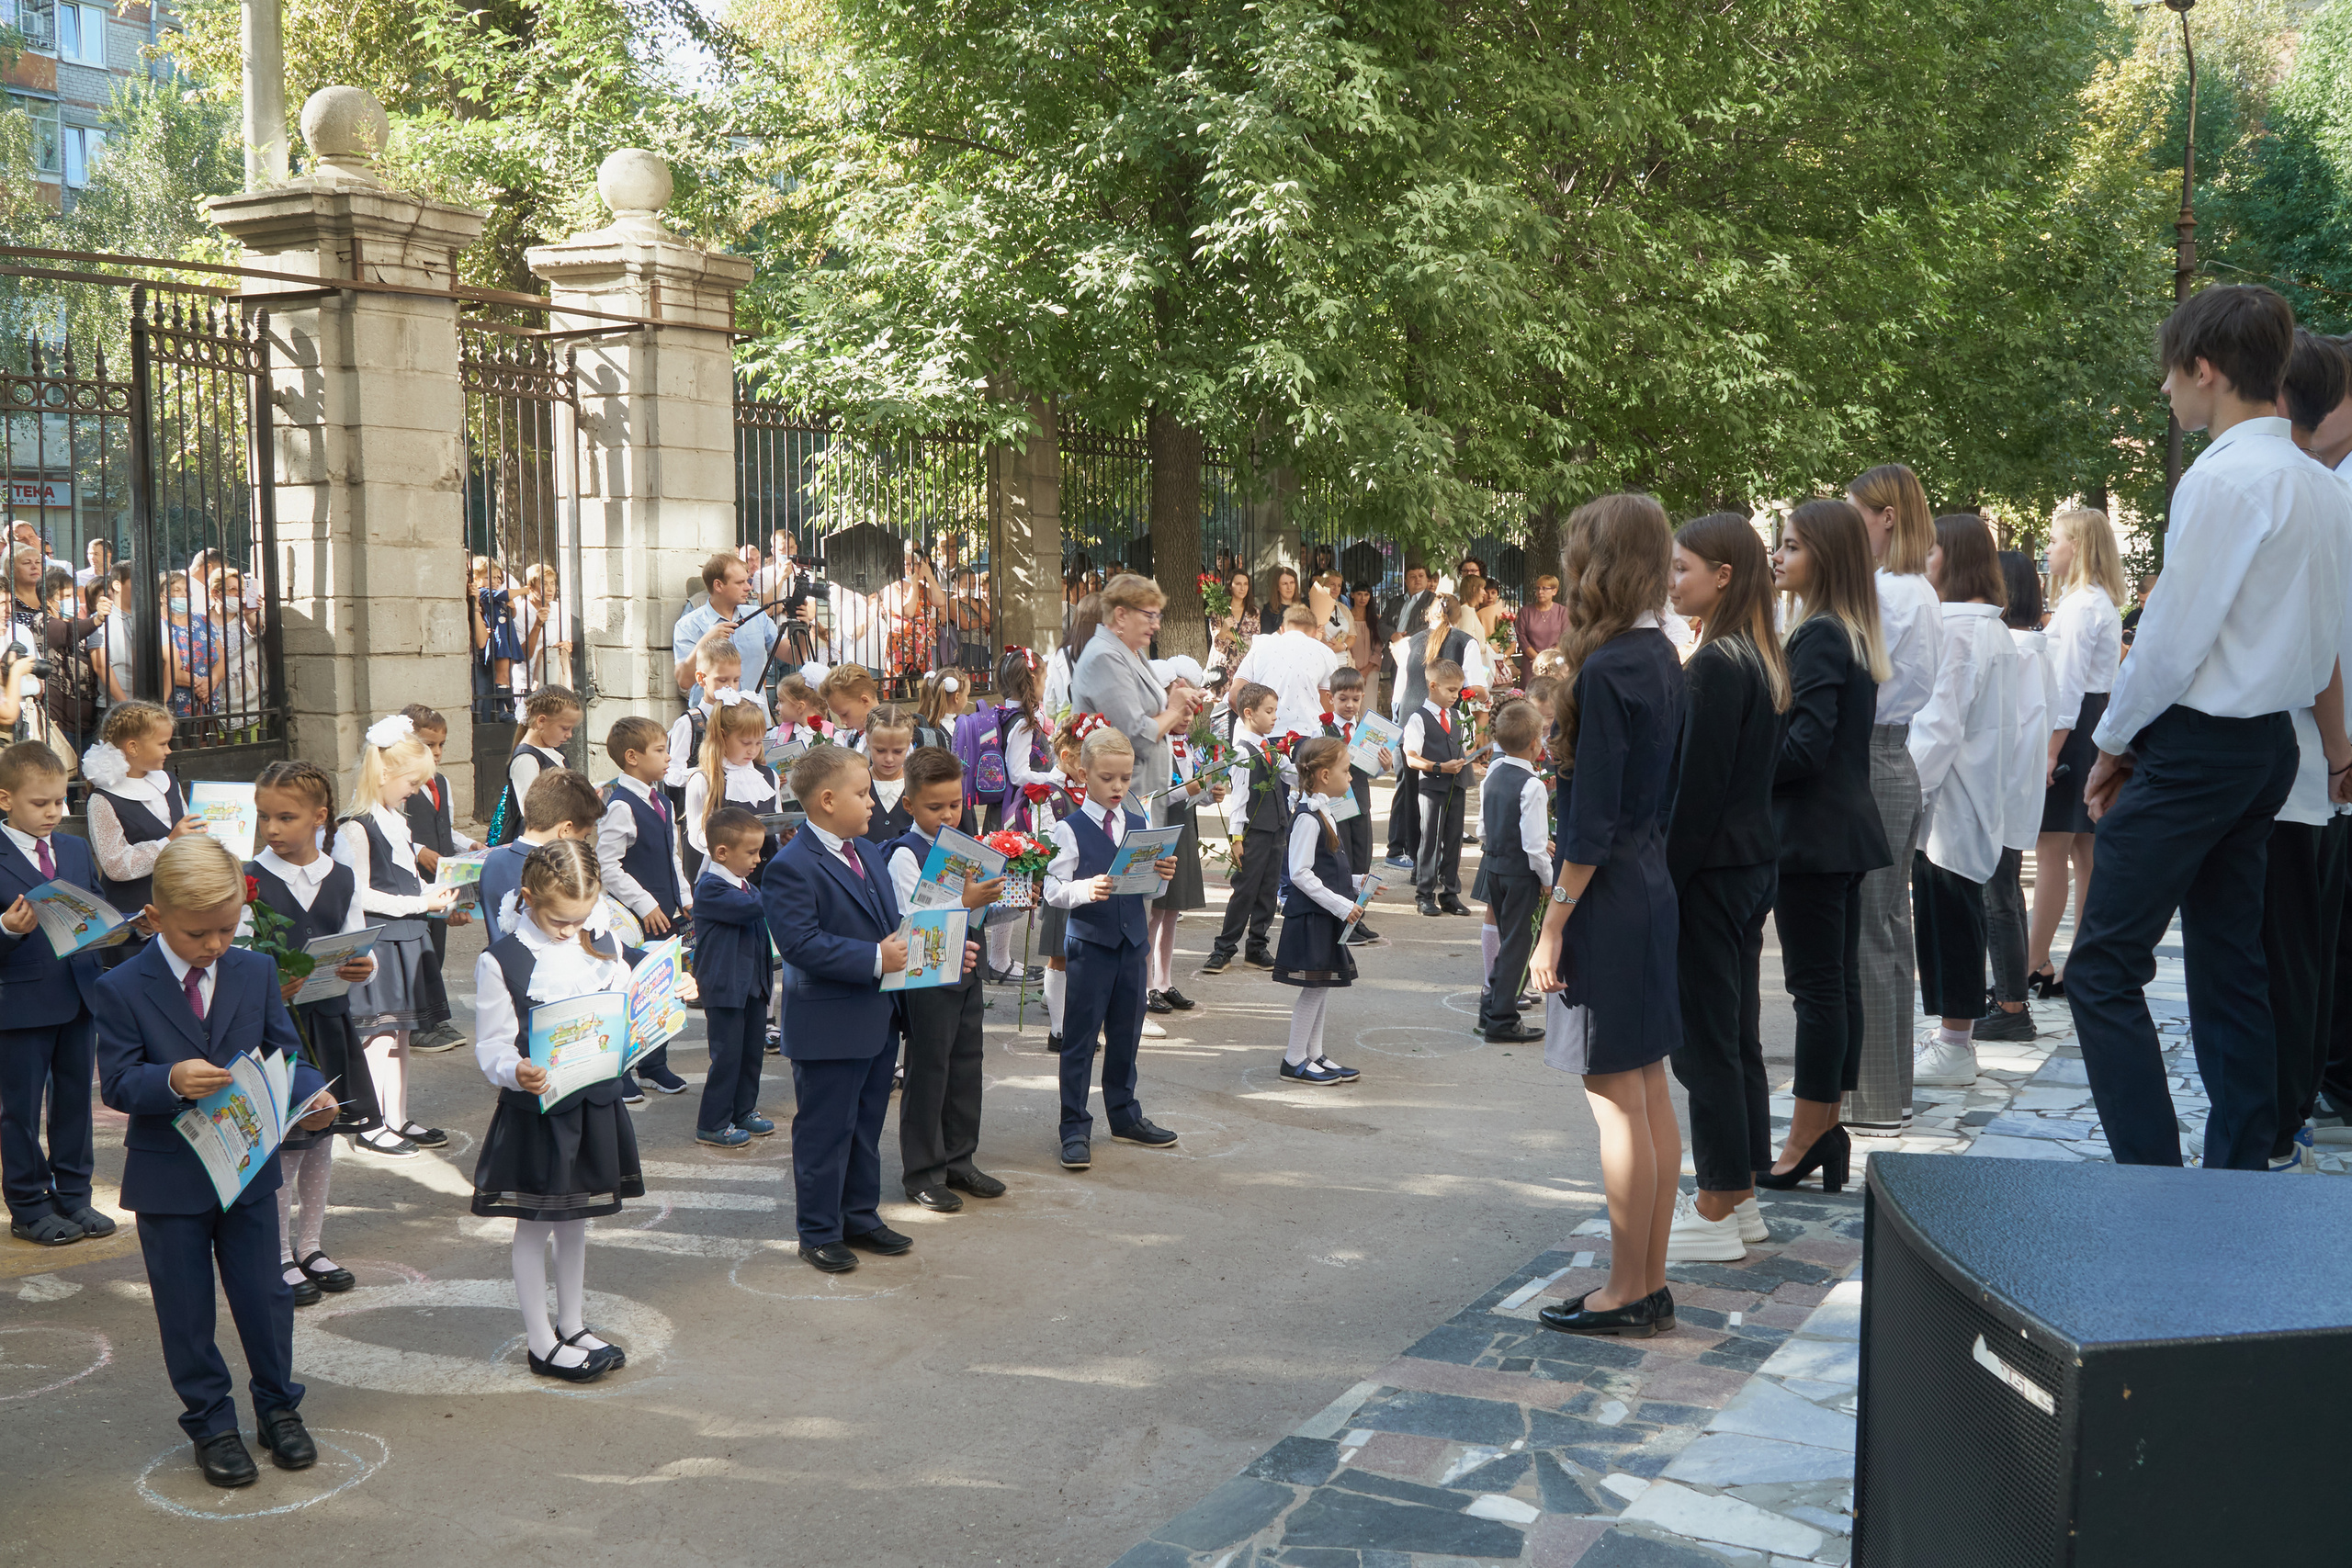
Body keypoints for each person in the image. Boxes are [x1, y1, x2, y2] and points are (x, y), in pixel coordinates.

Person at [2069, 284, 2350, 1170]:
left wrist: (2112, 743)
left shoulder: (2224, 479)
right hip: (2267, 747)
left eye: (2169, 373)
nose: (2165, 391)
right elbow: (2323, 642)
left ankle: (2153, 1179)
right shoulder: (2320, 486)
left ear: (2205, 369)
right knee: (2233, 968)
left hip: (2203, 744)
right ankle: (2238, 1171)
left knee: (2102, 966)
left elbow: (2170, 638)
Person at [95, 835, 338, 1484]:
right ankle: (210, 1423)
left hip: (249, 1168)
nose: (214, 945)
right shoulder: (121, 985)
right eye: (197, 933)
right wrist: (170, 1079)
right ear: (155, 916)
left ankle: (279, 1408)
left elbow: (283, 1055)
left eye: (227, 929)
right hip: (169, 1176)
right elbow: (117, 1081)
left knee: (266, 1296)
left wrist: (310, 1093)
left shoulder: (253, 972)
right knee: (186, 1309)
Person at [1525, 495, 1688, 1338]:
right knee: (1647, 1090)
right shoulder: (1660, 655)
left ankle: (1629, 1289)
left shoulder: (1608, 668)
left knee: (1618, 1099)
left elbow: (1589, 825)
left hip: (1611, 896)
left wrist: (1552, 925)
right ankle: (1645, 1281)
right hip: (1650, 885)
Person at [763, 746, 956, 1272]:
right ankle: (819, 1231)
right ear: (828, 800)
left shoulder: (867, 851)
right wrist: (875, 958)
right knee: (825, 1131)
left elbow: (895, 926)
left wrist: (941, 949)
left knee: (866, 1126)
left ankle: (860, 1217)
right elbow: (799, 944)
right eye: (863, 793)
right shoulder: (790, 866)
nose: (873, 802)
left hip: (877, 1019)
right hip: (828, 1026)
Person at [469, 840, 645, 1383]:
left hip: (594, 1101)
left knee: (576, 1220)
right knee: (534, 1225)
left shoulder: (602, 940)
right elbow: (492, 1045)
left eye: (581, 918)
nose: (571, 930)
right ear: (528, 898)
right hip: (539, 1111)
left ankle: (572, 1324)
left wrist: (663, 997)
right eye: (559, 920)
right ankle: (541, 1341)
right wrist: (515, 1069)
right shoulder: (502, 960)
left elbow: (626, 1004)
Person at [1659, 513, 1787, 1262]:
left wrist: (1664, 884)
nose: (1672, 580)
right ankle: (1738, 1194)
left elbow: (1694, 797)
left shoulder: (1716, 663)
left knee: (1708, 1040)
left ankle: (1716, 1204)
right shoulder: (1758, 656)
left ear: (1724, 574)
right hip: (1746, 864)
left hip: (1711, 870)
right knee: (1734, 1033)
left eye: (1683, 568)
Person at [1762, 499, 1892, 1192]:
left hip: (1813, 835)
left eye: (1791, 546)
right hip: (1837, 832)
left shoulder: (1819, 634)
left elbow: (1805, 747)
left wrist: (1740, 766)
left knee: (1818, 989)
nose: (1778, 556)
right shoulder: (1847, 630)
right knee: (1835, 985)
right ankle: (1824, 1127)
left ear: (1826, 556)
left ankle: (1809, 1133)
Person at [245, 761, 381, 1305]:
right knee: (286, 1147)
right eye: (264, 817)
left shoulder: (341, 876)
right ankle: (277, 1251)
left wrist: (363, 966)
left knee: (321, 1140)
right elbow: (237, 952)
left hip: (327, 1023)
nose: (272, 828)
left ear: (319, 817)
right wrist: (268, 983)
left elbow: (354, 939)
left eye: (286, 817)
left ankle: (310, 1245)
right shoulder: (249, 877)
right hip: (277, 1034)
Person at [1844, 462, 1942, 1134]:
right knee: (1887, 931)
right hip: (1894, 754)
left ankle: (1875, 1099)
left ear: (1886, 517)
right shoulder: (1917, 590)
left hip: (1872, 753)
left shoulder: (1886, 591)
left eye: (1857, 513)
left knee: (1868, 936)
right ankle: (1889, 1093)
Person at [1906, 515, 2019, 1089]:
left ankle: (1955, 1043)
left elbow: (1938, 724)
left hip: (1948, 798)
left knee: (1948, 918)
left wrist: (1906, 790)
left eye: (1929, 552)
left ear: (1951, 558)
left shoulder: (1959, 630)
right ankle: (1954, 1037)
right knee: (1953, 914)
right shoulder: (1989, 629)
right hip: (1971, 792)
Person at [1043, 726, 1182, 1168]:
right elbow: (1051, 889)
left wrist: (1161, 876)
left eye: (1125, 777)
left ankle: (1124, 1116)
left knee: (1127, 1033)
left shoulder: (1139, 823)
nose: (1118, 786)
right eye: (1107, 778)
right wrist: (1085, 889)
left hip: (1133, 944)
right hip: (1091, 946)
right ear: (1084, 775)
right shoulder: (1068, 829)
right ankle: (1074, 1128)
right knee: (1081, 1039)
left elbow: (1149, 891)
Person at [334, 715, 460, 1158]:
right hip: (379, 942)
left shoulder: (394, 820)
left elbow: (406, 880)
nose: (415, 790)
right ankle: (370, 1124)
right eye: (412, 782)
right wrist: (419, 903)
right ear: (384, 773)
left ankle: (397, 1116)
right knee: (379, 1036)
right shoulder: (356, 825)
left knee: (401, 1034)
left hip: (408, 936)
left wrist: (435, 898)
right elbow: (357, 893)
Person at [0, 741, 110, 1247]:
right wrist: (6, 929)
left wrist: (127, 927)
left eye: (60, 801)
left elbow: (98, 910)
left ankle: (74, 1196)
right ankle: (28, 1205)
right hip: (20, 1004)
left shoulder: (73, 849)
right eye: (39, 803)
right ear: (5, 799)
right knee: (20, 1111)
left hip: (79, 994)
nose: (53, 813)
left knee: (74, 1104)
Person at [884, 748, 1005, 1204]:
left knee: (966, 1066)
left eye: (955, 804)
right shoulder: (904, 854)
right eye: (935, 807)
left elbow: (983, 910)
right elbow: (909, 920)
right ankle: (922, 1174)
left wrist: (1012, 897)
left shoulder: (966, 847)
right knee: (929, 1072)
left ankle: (960, 1161)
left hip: (966, 971)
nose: (948, 815)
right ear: (910, 805)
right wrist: (965, 901)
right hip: (926, 976)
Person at [2029, 507, 2127, 995]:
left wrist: (2051, 751)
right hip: (2092, 722)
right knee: (2082, 850)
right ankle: (2075, 962)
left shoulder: (2080, 605)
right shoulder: (2096, 602)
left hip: (2074, 725)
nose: (2048, 549)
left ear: (2079, 546)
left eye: (2054, 540)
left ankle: (2033, 962)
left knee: (2053, 846)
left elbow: (2067, 688)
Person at [1977, 551, 2054, 1045]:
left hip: (1999, 790)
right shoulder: (2034, 649)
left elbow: (2009, 729)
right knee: (2002, 894)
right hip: (2014, 787)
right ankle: (2009, 997)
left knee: (1998, 897)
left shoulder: (2017, 650)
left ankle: (2011, 1005)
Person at [598, 716, 692, 1100]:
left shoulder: (663, 802)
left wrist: (685, 897)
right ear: (632, 757)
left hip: (666, 914)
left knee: (662, 988)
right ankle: (619, 1069)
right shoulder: (621, 805)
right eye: (660, 750)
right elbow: (608, 866)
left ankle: (654, 1063)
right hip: (635, 919)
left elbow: (672, 856)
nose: (668, 757)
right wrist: (646, 903)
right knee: (629, 990)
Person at [1272, 737, 1368, 1085]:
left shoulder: (1324, 810)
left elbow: (1326, 868)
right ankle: (1294, 1059)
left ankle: (1315, 1054)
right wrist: (1343, 905)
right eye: (1346, 770)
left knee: (1323, 985)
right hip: (1312, 918)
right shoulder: (1308, 818)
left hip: (1324, 916)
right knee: (1313, 988)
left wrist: (1355, 882)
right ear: (1325, 775)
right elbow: (1300, 873)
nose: (1351, 777)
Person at [84, 701, 201, 952]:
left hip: (176, 905)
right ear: (133, 747)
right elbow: (115, 865)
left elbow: (184, 827)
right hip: (134, 917)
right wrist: (169, 843)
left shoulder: (168, 781)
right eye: (162, 744)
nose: (169, 750)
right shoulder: (104, 798)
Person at [691, 807, 777, 1150]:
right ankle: (712, 1123)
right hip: (725, 987)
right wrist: (788, 881)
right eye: (752, 852)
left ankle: (743, 1111)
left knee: (751, 1053)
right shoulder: (710, 888)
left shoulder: (746, 886)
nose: (758, 859)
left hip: (752, 986)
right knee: (727, 1057)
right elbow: (752, 910)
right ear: (722, 852)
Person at [399, 705, 479, 1055]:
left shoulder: (441, 783)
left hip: (441, 881)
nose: (436, 752)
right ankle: (415, 1023)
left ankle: (434, 1016)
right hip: (411, 882)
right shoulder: (397, 785)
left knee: (437, 948)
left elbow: (445, 826)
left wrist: (468, 844)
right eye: (428, 744)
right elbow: (388, 830)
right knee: (418, 949)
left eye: (441, 745)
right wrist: (417, 850)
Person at [1475, 701, 1551, 1044]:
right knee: (1519, 947)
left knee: (1510, 943)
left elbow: (1482, 828)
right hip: (1521, 874)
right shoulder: (1532, 785)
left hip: (1494, 866)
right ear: (1535, 743)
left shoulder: (1493, 772)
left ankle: (1490, 1006)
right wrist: (1547, 879)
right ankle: (1502, 1019)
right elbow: (1535, 845)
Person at [1200, 682, 1289, 974]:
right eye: (1269, 711)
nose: (1274, 717)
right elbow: (1239, 799)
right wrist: (1236, 838)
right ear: (1249, 713)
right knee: (1245, 890)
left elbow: (1293, 776)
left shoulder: (1271, 749)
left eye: (1275, 710)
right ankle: (1223, 948)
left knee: (1268, 889)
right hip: (1254, 832)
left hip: (1276, 828)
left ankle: (1257, 946)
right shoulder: (1241, 752)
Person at [1149, 660, 1221, 1007]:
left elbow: (1192, 795)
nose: (1189, 715)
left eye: (1193, 709)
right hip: (1159, 828)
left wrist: (1208, 793)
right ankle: (1146, 984)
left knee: (1172, 910)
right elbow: (1155, 795)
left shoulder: (1188, 746)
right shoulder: (1155, 745)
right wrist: (1191, 788)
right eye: (1183, 707)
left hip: (1183, 829)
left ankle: (1164, 981)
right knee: (1154, 912)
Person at [479, 769, 605, 947]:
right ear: (566, 829)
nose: (584, 843)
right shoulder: (553, 874)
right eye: (584, 836)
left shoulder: (492, 860)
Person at [1321, 666, 1390, 939]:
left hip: (1361, 804)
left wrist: (1385, 764)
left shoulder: (1366, 731)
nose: (1350, 705)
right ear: (1331, 698)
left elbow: (1373, 770)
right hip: (1336, 806)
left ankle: (1357, 919)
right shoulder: (1323, 729)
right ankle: (1341, 920)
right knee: (1342, 862)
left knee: (1362, 862)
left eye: (1355, 699)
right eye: (1343, 699)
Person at [684, 694, 783, 876]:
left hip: (768, 876)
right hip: (725, 879)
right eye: (745, 743)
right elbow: (697, 838)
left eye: (758, 742)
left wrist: (784, 837)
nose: (753, 750)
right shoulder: (704, 780)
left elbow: (777, 825)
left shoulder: (769, 777)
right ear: (722, 736)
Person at [1405, 659, 1472, 918]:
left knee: (1454, 839)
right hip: (1432, 787)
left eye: (1458, 690)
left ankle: (1450, 894)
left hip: (1456, 785)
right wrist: (1439, 767)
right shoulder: (1418, 718)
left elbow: (1462, 747)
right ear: (1433, 686)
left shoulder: (1458, 716)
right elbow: (1411, 758)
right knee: (1431, 840)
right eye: (1451, 690)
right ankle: (1424, 895)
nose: (1456, 696)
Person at [673, 552, 780, 708]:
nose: (748, 587)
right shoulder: (688, 625)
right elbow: (684, 681)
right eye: (740, 582)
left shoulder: (757, 616)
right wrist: (706, 641)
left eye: (747, 580)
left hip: (753, 718)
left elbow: (793, 656)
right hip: (712, 718)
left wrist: (802, 622)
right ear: (718, 585)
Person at [487, 686, 582, 848]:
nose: (569, 735)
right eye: (565, 728)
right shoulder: (526, 759)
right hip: (537, 847)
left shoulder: (552, 750)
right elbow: (531, 812)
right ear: (541, 721)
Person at [1235, 603, 1341, 736]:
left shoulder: (1261, 646)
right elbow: (1328, 703)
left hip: (1265, 736)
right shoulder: (1325, 652)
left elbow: (1234, 694)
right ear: (1315, 632)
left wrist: (1255, 725)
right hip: (1310, 734)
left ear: (1282, 629)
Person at [162, 568, 220, 718]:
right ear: (162, 596)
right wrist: (200, 685)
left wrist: (212, 681)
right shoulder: (160, 626)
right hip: (173, 711)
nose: (184, 594)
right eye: (177, 590)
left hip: (207, 707)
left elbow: (222, 658)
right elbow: (165, 669)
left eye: (187, 590)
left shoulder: (203, 620)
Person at [860, 706, 919, 844]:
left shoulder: (918, 784)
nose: (889, 759)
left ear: (909, 744)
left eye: (898, 751)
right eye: (880, 750)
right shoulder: (857, 783)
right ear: (868, 742)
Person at [820, 664, 880, 746]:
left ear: (864, 701)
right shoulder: (853, 737)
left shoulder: (890, 735)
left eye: (845, 714)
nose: (842, 722)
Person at [1518, 572, 1567, 661]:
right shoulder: (1525, 612)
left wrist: (1549, 659)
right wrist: (1538, 659)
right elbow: (1522, 638)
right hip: (1531, 662)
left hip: (1554, 661)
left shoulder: (1563, 612)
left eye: (1544, 588)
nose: (1540, 592)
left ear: (1554, 591)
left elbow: (1565, 638)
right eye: (1538, 588)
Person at [1258, 564, 1303, 635]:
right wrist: (1282, 630)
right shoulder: (1268, 610)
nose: (1289, 587)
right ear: (1277, 587)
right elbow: (1266, 638)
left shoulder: (1304, 605)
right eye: (1285, 584)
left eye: (1292, 583)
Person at [2118, 573, 2157, 649]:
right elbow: (2121, 653)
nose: (2145, 606)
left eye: (2149, 601)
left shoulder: (2173, 619)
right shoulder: (2134, 617)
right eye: (2142, 602)